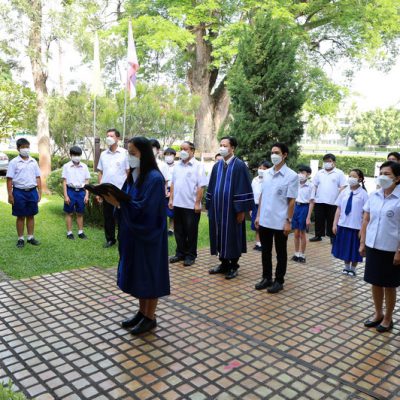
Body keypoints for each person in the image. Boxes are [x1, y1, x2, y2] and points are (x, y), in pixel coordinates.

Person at [102, 136, 170, 335]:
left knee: (150, 275)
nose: (129, 157)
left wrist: (120, 204)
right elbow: (127, 198)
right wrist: (116, 200)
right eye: (128, 153)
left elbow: (146, 209)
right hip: (134, 234)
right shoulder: (134, 174)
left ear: (144, 154)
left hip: (150, 235)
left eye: (133, 153)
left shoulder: (155, 179)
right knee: (140, 275)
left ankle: (150, 317)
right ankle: (142, 312)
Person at [359, 161, 400, 333]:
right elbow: (366, 219)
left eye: (387, 174)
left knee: (389, 285)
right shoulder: (374, 195)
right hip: (373, 246)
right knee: (375, 282)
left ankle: (388, 318)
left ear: (397, 178)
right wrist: (362, 242)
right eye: (381, 173)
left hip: (391, 250)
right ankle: (378, 313)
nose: (383, 176)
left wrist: (399, 251)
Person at [206, 136, 254, 279]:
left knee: (232, 236)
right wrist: (209, 205)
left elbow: (243, 187)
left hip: (232, 211)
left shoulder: (239, 166)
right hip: (217, 209)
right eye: (220, 145)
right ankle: (224, 263)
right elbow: (212, 186)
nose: (222, 148)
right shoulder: (217, 166)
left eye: (225, 145)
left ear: (232, 148)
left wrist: (241, 211)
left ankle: (233, 265)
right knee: (219, 235)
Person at [255, 143, 298, 293]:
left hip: (280, 221)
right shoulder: (266, 173)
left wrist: (288, 221)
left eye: (277, 152)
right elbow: (262, 195)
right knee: (265, 251)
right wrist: (258, 215)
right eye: (272, 152)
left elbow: (291, 201)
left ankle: (279, 280)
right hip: (265, 219)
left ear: (284, 155)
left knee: (281, 252)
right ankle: (266, 278)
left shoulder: (291, 176)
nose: (273, 155)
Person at [168, 142, 208, 267]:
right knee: (178, 231)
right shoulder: (177, 166)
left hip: (191, 205)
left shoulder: (198, 166)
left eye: (185, 149)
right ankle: (180, 253)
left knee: (191, 232)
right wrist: (171, 199)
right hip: (178, 204)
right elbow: (173, 183)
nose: (182, 151)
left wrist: (197, 203)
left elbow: (201, 186)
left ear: (192, 151)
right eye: (181, 149)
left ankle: (190, 255)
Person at [332, 169, 368, 276]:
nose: (351, 178)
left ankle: (353, 268)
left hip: (356, 227)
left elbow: (366, 214)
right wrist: (334, 224)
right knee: (345, 247)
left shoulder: (363, 194)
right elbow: (339, 208)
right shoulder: (344, 191)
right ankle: (346, 267)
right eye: (350, 176)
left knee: (354, 248)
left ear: (360, 179)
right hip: (343, 224)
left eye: (354, 176)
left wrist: (362, 229)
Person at [97, 128, 129, 248]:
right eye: (107, 136)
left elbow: (128, 172)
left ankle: (122, 238)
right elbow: (100, 172)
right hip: (106, 191)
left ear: (118, 138)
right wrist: (99, 191)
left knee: (122, 216)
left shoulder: (125, 153)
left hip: (120, 191)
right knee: (108, 216)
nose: (109, 138)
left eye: (111, 136)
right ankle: (110, 239)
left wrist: (128, 189)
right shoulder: (103, 154)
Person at [6, 138, 42, 248]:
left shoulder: (33, 161)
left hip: (32, 191)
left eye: (27, 147)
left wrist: (40, 192)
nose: (25, 149)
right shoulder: (14, 162)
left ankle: (30, 237)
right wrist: (10, 194)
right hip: (19, 192)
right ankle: (20, 238)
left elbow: (38, 177)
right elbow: (9, 179)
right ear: (18, 149)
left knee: (31, 215)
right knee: (20, 216)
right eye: (23, 147)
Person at [310, 153, 346, 243]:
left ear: (334, 162)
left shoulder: (339, 173)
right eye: (325, 161)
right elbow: (314, 184)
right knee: (319, 219)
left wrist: (339, 198)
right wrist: (313, 196)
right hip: (319, 200)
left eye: (329, 161)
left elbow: (343, 186)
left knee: (331, 219)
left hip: (333, 201)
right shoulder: (320, 172)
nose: (327, 163)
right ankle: (318, 235)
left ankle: (332, 237)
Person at [62, 146, 90, 240]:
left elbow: (87, 181)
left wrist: (87, 195)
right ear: (71, 155)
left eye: (78, 155)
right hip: (70, 191)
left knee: (80, 213)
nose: (77, 157)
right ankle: (69, 233)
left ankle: (80, 232)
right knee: (69, 213)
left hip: (81, 192)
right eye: (75, 155)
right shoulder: (66, 166)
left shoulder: (84, 166)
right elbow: (64, 181)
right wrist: (65, 195)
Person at [291, 165, 314, 263]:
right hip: (295, 207)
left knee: (302, 233)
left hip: (304, 208)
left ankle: (302, 254)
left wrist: (308, 217)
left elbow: (311, 202)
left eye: (302, 172)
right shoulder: (295, 183)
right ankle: (296, 253)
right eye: (299, 172)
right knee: (296, 232)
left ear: (308, 174)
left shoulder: (311, 186)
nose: (300, 174)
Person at [251, 161, 272, 251]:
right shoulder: (255, 180)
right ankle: (258, 243)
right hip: (255, 205)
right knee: (256, 225)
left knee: (263, 225)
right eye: (260, 168)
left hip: (264, 206)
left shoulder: (269, 180)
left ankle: (264, 243)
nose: (261, 170)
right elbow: (252, 193)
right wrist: (250, 207)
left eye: (264, 169)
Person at [164, 147, 176, 236]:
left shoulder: (177, 166)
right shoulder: (161, 165)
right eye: (166, 155)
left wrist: (171, 193)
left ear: (174, 156)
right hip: (162, 189)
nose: (168, 156)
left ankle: (171, 229)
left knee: (172, 210)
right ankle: (163, 227)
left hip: (173, 189)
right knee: (162, 209)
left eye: (170, 155)